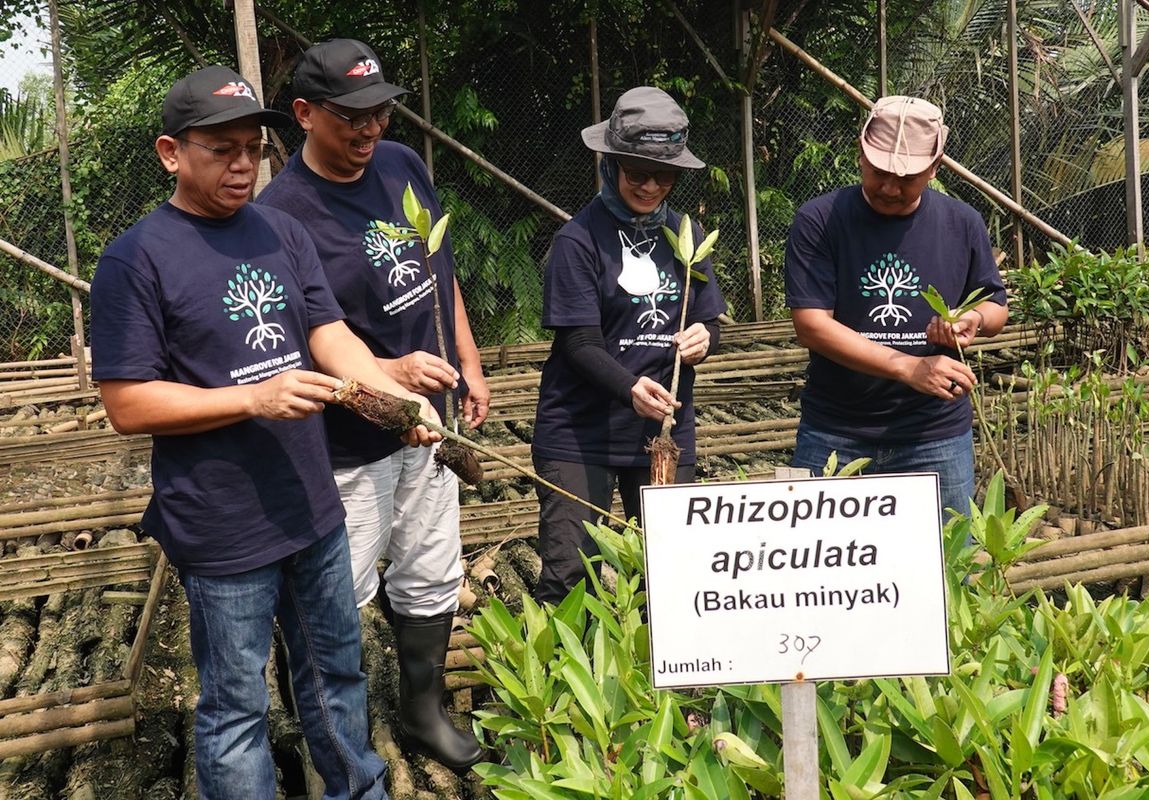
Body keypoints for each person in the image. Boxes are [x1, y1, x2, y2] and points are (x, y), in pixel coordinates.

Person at [90, 65, 441, 799]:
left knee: (336, 674)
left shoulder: (281, 230)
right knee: (236, 708)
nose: (242, 165)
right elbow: (127, 403)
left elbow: (329, 333)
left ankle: (358, 789)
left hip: (309, 503)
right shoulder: (137, 257)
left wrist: (397, 398)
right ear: (170, 152)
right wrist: (252, 398)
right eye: (221, 149)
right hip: (222, 523)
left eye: (252, 149)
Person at [256, 39, 486, 771]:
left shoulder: (400, 166)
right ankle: (325, 727)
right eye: (349, 117)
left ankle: (422, 709)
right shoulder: (279, 217)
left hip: (429, 420)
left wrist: (466, 361)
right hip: (347, 444)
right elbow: (295, 347)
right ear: (302, 115)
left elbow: (435, 268)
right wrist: (384, 372)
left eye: (379, 113)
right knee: (337, 590)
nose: (369, 130)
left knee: (430, 564)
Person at [532, 86, 727, 604]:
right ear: (611, 164)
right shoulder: (579, 239)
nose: (648, 185)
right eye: (636, 172)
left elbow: (713, 322)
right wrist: (629, 387)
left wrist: (707, 338)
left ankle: (666, 687)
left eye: (663, 175)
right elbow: (579, 343)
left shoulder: (687, 235)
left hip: (663, 434)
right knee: (571, 579)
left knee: (670, 575)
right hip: (581, 435)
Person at [784, 95, 1008, 521]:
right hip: (835, 428)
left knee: (945, 566)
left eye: (906, 177)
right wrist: (908, 367)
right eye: (879, 172)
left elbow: (996, 305)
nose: (889, 187)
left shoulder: (962, 222)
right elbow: (812, 325)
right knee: (820, 568)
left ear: (936, 166)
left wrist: (970, 320)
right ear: (860, 152)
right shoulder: (820, 220)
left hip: (935, 432)